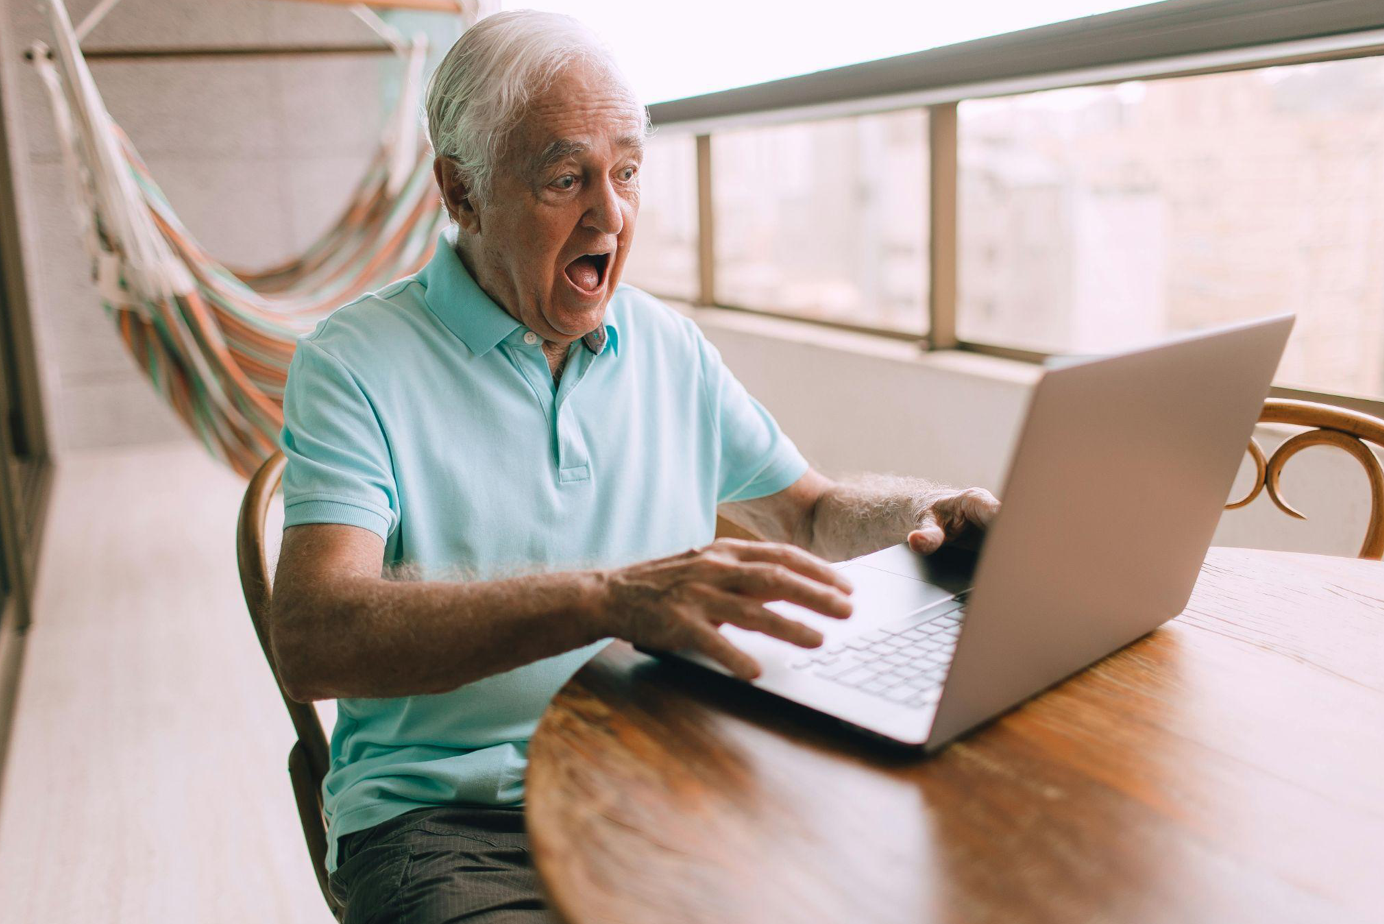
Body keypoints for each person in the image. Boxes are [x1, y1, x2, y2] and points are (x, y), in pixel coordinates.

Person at [270, 10, 999, 923]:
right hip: (454, 823)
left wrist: (934, 511)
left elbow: (810, 514)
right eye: (565, 177)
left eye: (626, 173)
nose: (610, 215)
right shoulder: (352, 362)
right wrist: (610, 596)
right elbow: (314, 637)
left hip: (669, 769)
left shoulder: (667, 345)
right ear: (461, 192)